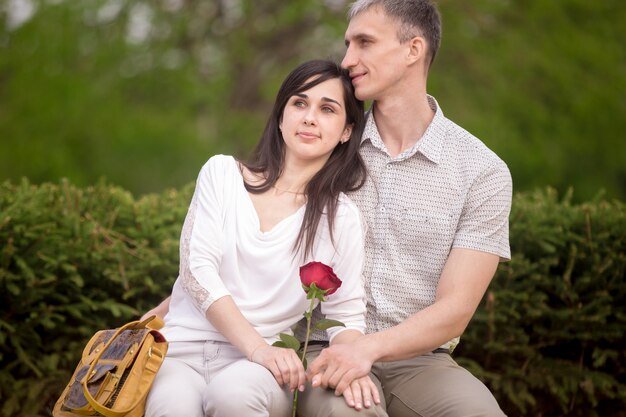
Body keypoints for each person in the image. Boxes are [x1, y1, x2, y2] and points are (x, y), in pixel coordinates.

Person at [296, 1, 512, 416]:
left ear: (413, 50)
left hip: (421, 362)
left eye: (364, 43)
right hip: (320, 347)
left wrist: (367, 351)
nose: (347, 60)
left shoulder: (482, 171)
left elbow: (455, 311)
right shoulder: (327, 143)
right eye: (347, 44)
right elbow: (251, 223)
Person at [143, 59, 379, 417]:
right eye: (299, 103)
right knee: (170, 406)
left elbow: (345, 312)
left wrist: (352, 365)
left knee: (232, 395)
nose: (309, 117)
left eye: (327, 109)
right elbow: (196, 271)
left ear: (347, 130)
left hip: (259, 370)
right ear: (281, 116)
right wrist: (258, 348)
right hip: (180, 353)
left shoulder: (340, 218)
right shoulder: (222, 175)